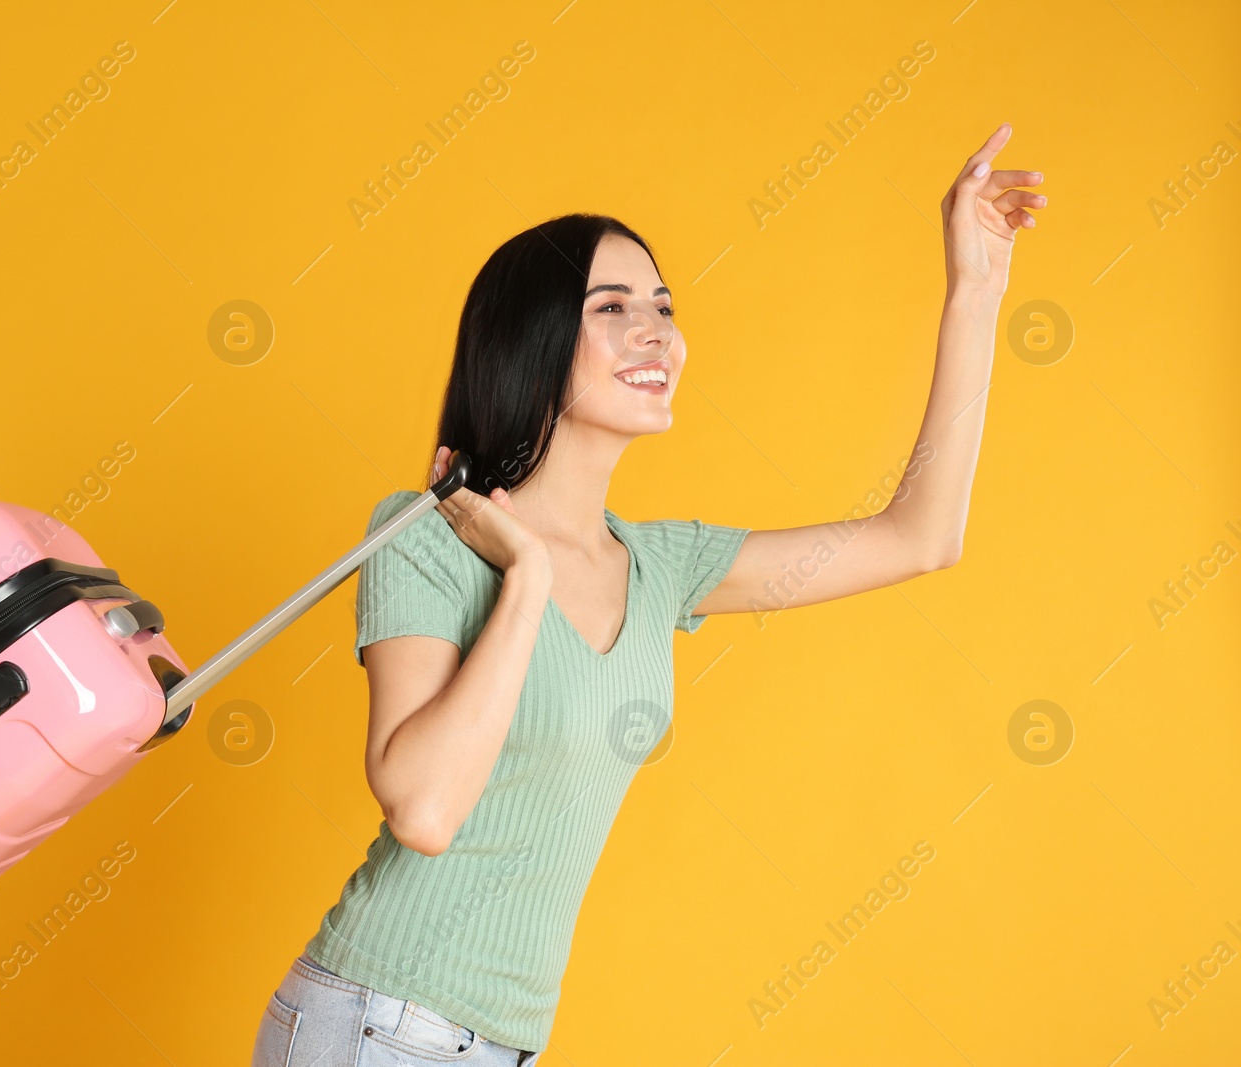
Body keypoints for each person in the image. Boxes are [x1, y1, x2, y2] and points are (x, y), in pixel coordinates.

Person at [251, 123, 1045, 1065]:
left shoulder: (663, 565)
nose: (656, 332)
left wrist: (977, 292)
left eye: (663, 307)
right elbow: (421, 809)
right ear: (533, 341)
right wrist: (527, 582)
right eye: (612, 307)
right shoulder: (428, 533)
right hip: (380, 1019)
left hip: (500, 1042)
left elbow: (920, 536)